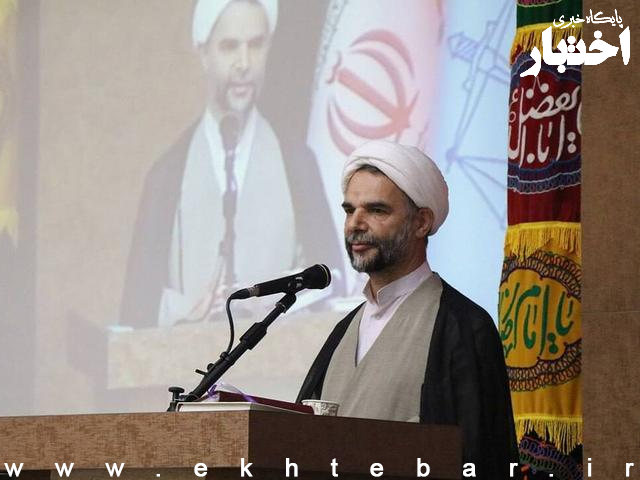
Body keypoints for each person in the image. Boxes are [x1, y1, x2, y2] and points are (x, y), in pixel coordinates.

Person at [297, 140, 519, 479]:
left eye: (376, 210)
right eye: (349, 210)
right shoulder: (344, 329)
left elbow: (483, 456)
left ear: (421, 223)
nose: (356, 224)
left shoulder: (464, 327)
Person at [121, 0, 342, 328]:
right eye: (229, 47)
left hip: (279, 355)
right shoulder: (168, 174)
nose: (244, 63)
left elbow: (332, 281)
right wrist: (187, 309)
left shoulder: (297, 164)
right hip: (190, 357)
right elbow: (137, 304)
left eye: (256, 45)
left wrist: (279, 296)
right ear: (203, 53)